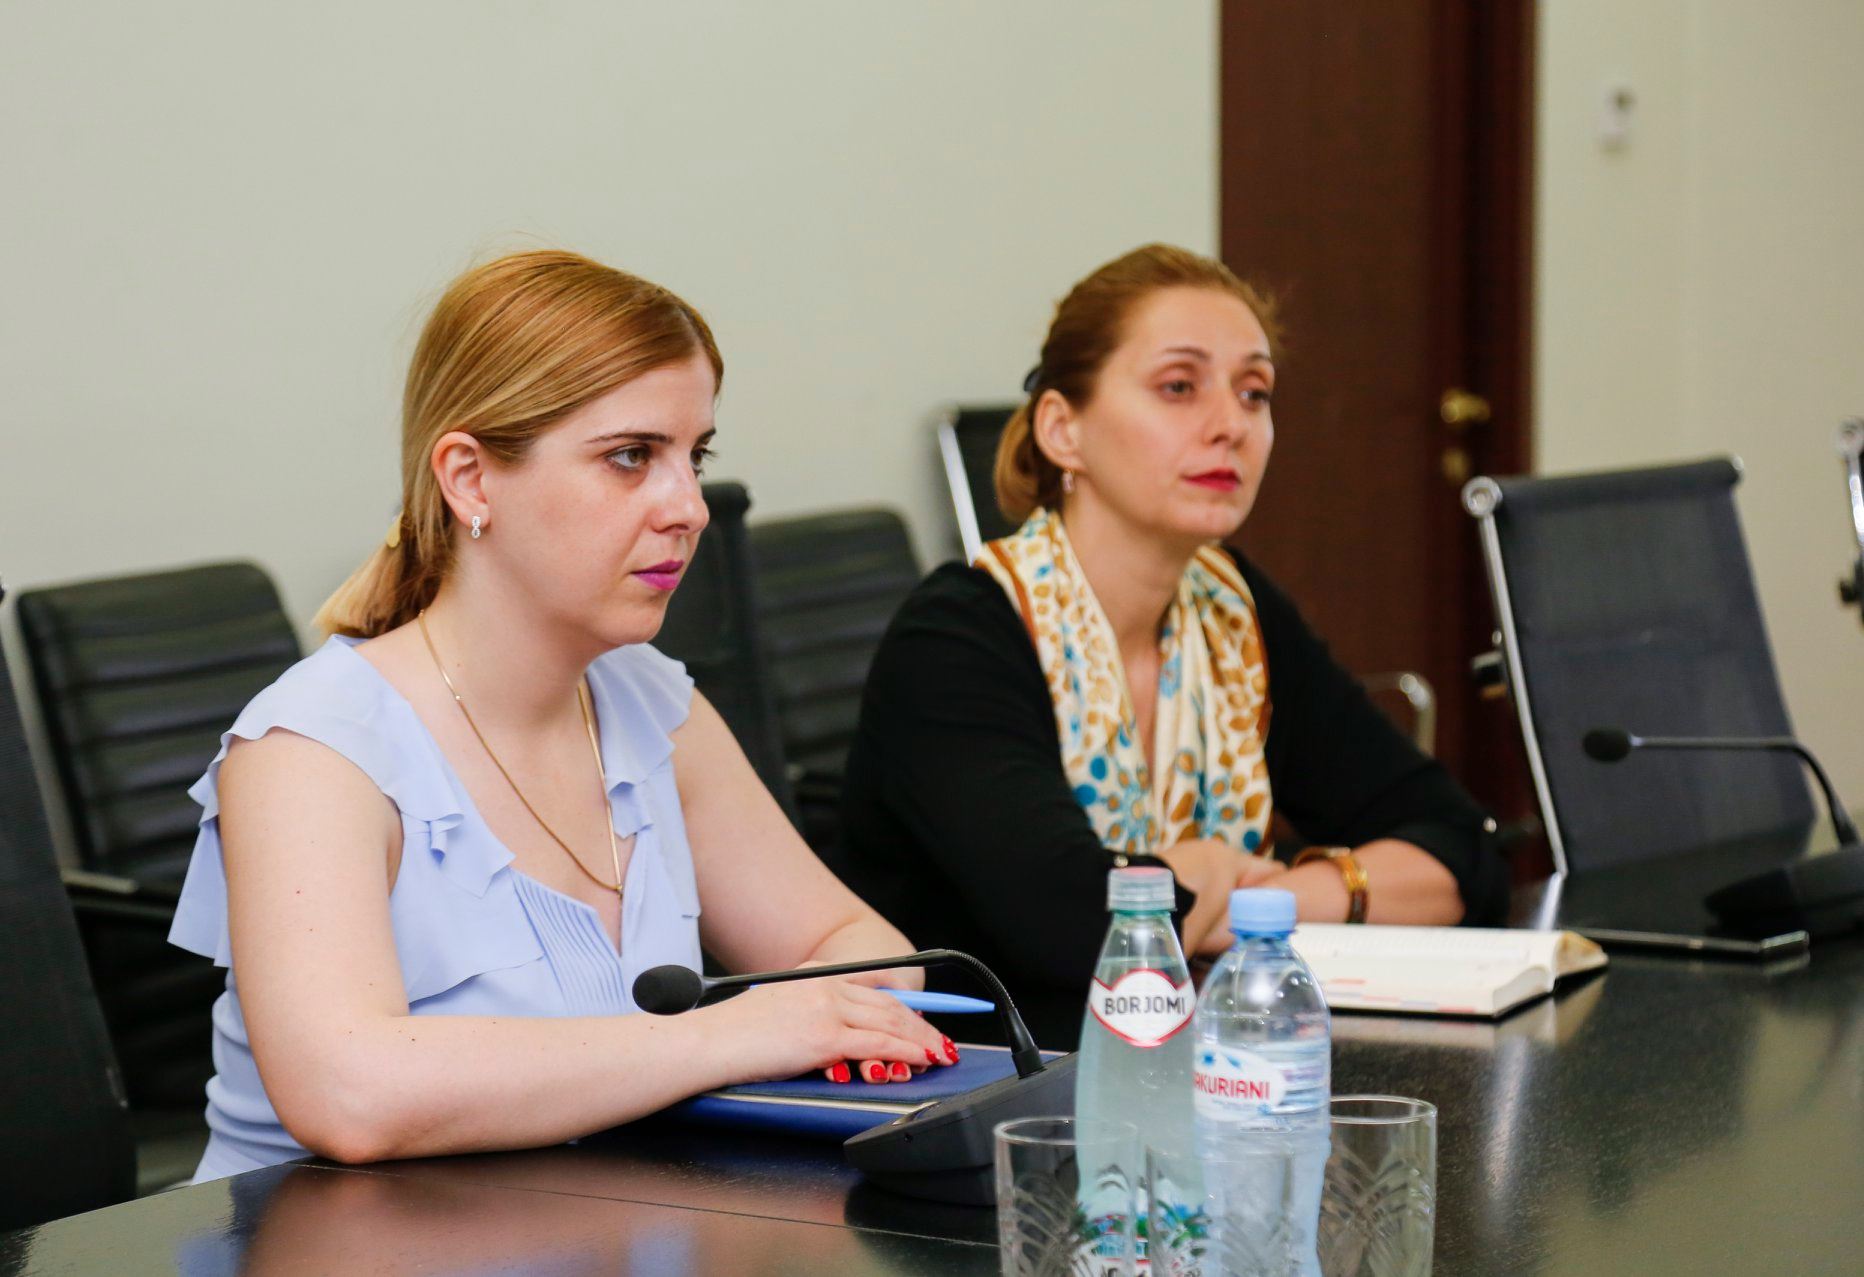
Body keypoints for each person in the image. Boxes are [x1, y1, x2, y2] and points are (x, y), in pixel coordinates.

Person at [168, 251, 954, 1182]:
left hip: (601, 1222)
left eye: (694, 456)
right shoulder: (312, 749)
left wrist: (845, 1006)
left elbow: (853, 947)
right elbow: (350, 1093)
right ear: (470, 479)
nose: (690, 508)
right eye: (631, 457)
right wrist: (736, 1034)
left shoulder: (651, 704)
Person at [837, 244, 1509, 1047]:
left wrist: (1263, 901)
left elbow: (1464, 853)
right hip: (983, 1093)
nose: (1231, 425)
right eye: (1179, 387)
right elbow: (1079, 930)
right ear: (1063, 429)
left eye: (1254, 392)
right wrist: (1216, 877)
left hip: (1192, 1071)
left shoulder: (1232, 610)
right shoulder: (956, 638)